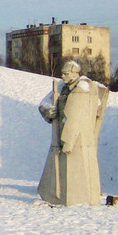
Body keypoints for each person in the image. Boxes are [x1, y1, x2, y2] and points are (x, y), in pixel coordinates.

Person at [37, 60, 108, 205]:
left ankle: (78, 201)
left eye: (66, 73)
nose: (63, 76)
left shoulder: (84, 88)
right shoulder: (62, 87)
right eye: (62, 73)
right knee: (59, 172)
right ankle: (58, 197)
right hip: (61, 136)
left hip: (78, 139)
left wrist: (68, 141)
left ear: (75, 73)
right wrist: (48, 111)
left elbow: (74, 117)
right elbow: (44, 104)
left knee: (78, 173)